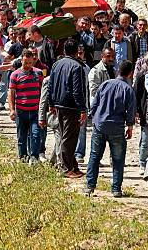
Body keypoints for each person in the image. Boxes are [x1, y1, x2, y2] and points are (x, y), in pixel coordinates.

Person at [84, 60, 136, 197]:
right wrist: (130, 127)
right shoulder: (128, 90)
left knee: (94, 157)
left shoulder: (105, 84)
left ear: (118, 70)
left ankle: (90, 186)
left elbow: (94, 104)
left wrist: (94, 117)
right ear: (130, 74)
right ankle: (116, 189)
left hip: (100, 125)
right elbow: (130, 112)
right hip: (117, 128)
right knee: (118, 159)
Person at [47, 39, 87, 178]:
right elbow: (77, 90)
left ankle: (73, 166)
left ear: (64, 51)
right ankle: (66, 168)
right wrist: (83, 109)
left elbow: (50, 86)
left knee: (66, 135)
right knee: (69, 137)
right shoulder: (77, 67)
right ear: (77, 51)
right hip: (71, 106)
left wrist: (51, 103)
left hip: (58, 104)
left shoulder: (56, 64)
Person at [9, 49, 44, 163]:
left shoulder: (38, 73)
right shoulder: (15, 75)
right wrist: (11, 110)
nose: (28, 65)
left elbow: (42, 90)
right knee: (21, 137)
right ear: (21, 61)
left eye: (30, 63)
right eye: (25, 63)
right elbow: (11, 93)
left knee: (35, 135)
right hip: (21, 111)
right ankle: (23, 158)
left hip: (34, 111)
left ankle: (34, 157)